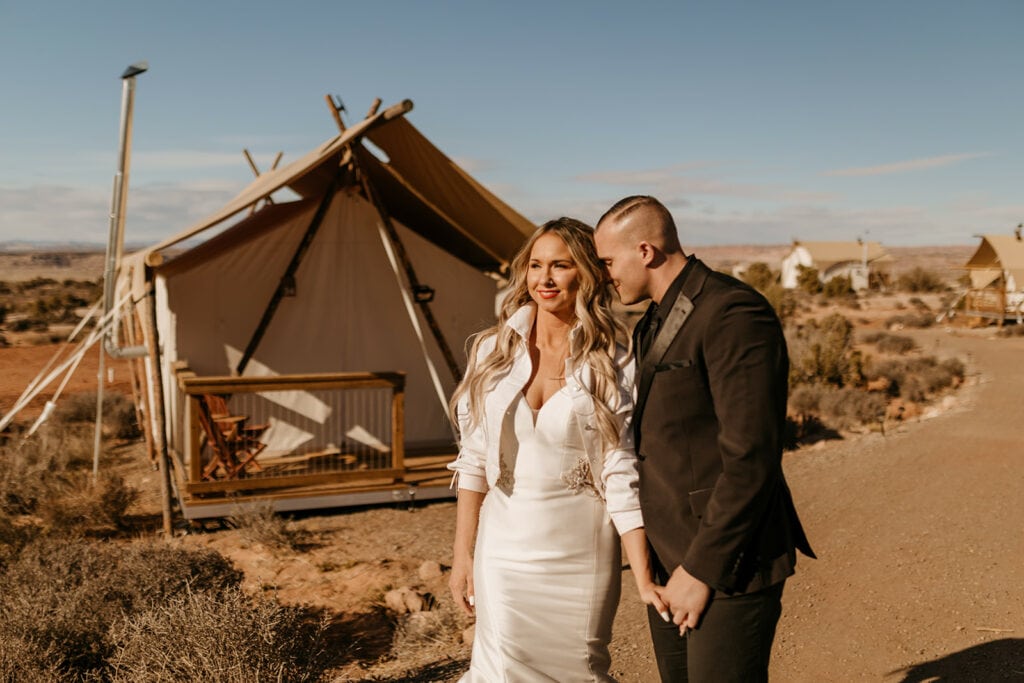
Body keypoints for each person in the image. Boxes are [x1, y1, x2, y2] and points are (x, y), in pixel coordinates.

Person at [594, 196, 815, 682]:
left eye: (609, 261)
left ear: (646, 251)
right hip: (669, 559)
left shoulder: (733, 312)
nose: (605, 273)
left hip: (727, 562)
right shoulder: (649, 321)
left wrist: (701, 571)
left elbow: (752, 459)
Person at [447, 217, 667, 681]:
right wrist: (462, 555)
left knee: (581, 669)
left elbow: (619, 470)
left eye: (561, 266)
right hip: (502, 548)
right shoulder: (493, 349)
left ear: (585, 274)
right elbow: (473, 461)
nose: (544, 279)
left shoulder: (613, 356)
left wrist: (643, 575)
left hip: (580, 549)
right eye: (535, 265)